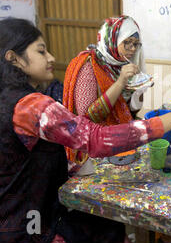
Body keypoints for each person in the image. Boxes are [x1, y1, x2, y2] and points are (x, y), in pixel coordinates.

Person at [0, 18, 171, 243]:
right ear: (14, 58)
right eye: (41, 51)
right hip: (14, 230)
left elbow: (15, 158)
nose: (51, 57)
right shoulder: (32, 105)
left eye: (135, 44)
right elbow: (95, 136)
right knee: (107, 229)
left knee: (106, 225)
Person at [63, 16, 151, 168]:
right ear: (112, 40)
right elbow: (89, 117)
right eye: (127, 42)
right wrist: (121, 81)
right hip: (91, 149)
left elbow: (130, 111)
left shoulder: (122, 65)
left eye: (135, 44)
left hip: (117, 141)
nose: (132, 49)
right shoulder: (89, 65)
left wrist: (140, 90)